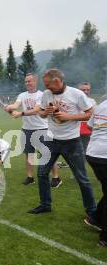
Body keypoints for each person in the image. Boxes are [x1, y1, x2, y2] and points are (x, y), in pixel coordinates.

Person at [29, 69, 97, 224]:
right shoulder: (47, 94)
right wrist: (46, 111)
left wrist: (69, 117)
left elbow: (90, 113)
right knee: (41, 173)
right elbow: (41, 113)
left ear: (58, 81)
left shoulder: (76, 94)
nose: (46, 88)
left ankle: (92, 212)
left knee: (82, 179)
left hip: (71, 142)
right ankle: (45, 205)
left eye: (48, 84)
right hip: (51, 140)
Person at [5, 73, 62, 187]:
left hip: (42, 128)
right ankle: (30, 177)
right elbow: (16, 105)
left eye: (30, 81)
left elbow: (37, 109)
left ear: (35, 82)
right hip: (27, 129)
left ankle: (56, 178)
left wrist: (21, 113)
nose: (28, 83)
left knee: (47, 154)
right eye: (26, 81)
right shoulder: (22, 95)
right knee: (29, 154)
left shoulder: (42, 95)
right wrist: (9, 107)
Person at [86, 97, 107, 247]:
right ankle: (104, 237)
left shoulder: (101, 105)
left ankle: (95, 218)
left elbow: (90, 126)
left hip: (93, 153)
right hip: (103, 155)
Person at [78, 82, 97, 153]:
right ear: (78, 90)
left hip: (87, 127)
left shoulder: (92, 101)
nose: (86, 92)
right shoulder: (74, 100)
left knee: (85, 148)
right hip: (75, 128)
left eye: (88, 90)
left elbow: (95, 116)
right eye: (83, 90)